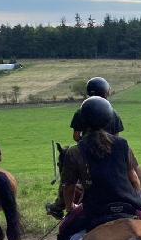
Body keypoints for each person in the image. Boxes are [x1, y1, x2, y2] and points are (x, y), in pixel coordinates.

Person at [36, 96, 141, 240]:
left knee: (65, 230)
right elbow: (135, 180)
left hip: (97, 209)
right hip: (129, 206)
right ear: (109, 120)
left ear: (83, 122)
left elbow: (68, 186)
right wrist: (138, 202)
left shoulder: (75, 152)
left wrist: (71, 208)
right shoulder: (123, 144)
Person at [46, 77, 125, 218]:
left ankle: (59, 205)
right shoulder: (114, 113)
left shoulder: (81, 112)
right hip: (113, 152)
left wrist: (86, 144)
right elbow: (116, 137)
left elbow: (76, 136)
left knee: (68, 174)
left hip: (86, 151)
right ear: (106, 92)